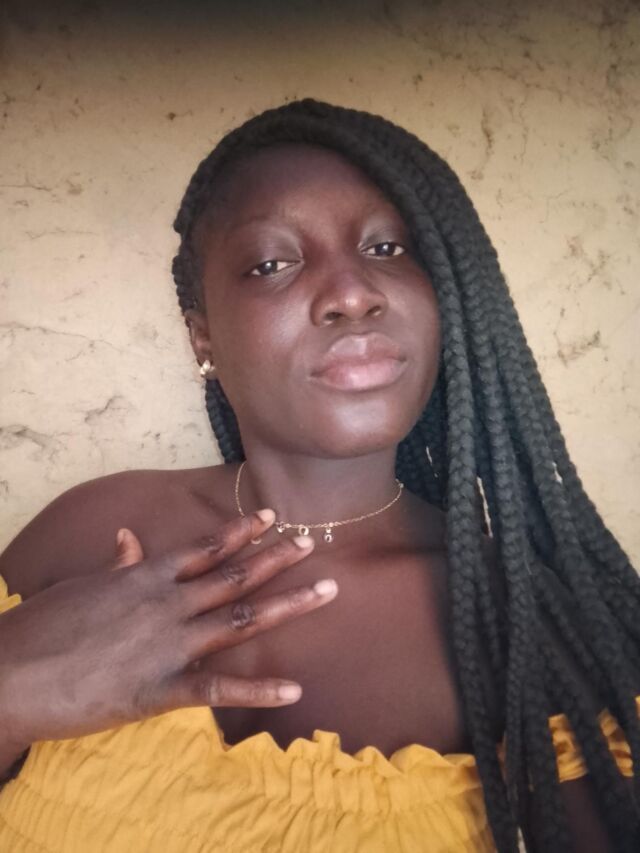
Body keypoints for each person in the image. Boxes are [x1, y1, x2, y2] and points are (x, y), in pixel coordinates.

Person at [0, 98, 638, 853]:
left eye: (388, 249)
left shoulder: (527, 624)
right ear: (202, 335)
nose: (352, 294)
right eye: (273, 263)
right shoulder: (86, 532)